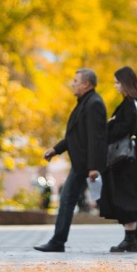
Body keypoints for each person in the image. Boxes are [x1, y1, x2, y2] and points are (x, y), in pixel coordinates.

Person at [35, 69, 107, 252]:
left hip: (85, 165)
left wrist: (93, 167)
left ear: (86, 84)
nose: (72, 84)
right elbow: (75, 136)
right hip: (81, 164)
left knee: (69, 200)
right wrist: (55, 149)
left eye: (76, 81)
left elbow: (95, 138)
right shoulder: (85, 103)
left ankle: (58, 241)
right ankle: (136, 232)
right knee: (71, 200)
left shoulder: (94, 104)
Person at [99, 66, 137, 253]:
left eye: (117, 82)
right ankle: (133, 236)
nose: (115, 86)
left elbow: (125, 128)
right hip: (132, 159)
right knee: (124, 196)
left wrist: (110, 124)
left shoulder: (131, 104)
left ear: (125, 83)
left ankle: (131, 238)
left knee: (125, 197)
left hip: (127, 160)